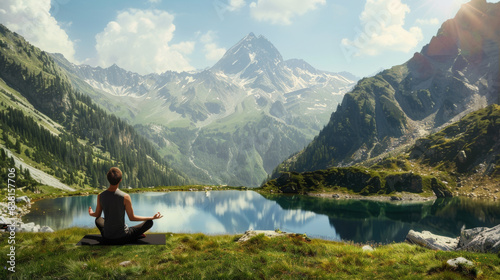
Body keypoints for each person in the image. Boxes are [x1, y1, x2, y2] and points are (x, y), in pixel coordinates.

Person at [88, 167, 163, 244]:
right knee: (149, 222)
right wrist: (152, 217)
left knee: (98, 219)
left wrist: (91, 213)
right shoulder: (125, 196)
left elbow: (97, 214)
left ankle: (128, 235)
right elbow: (132, 218)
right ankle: (134, 236)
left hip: (106, 236)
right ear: (120, 180)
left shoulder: (100, 195)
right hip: (123, 237)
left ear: (108, 179)